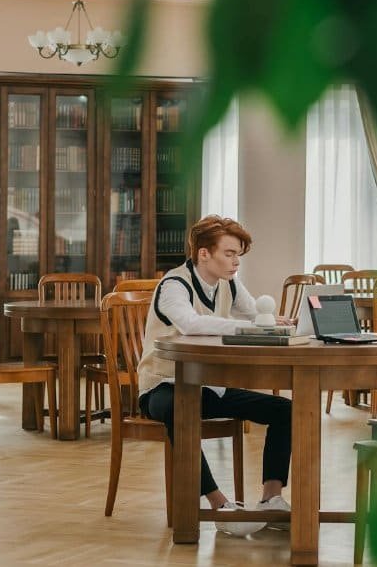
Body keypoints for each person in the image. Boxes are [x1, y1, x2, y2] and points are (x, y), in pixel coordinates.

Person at [139, 215, 293, 536]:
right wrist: (255, 326)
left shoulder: (229, 283)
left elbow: (255, 314)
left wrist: (278, 322)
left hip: (211, 388)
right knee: (179, 409)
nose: (236, 261)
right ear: (203, 254)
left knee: (285, 410)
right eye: (229, 253)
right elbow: (191, 324)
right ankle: (218, 502)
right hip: (162, 387)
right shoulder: (173, 285)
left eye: (238, 254)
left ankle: (271, 498)